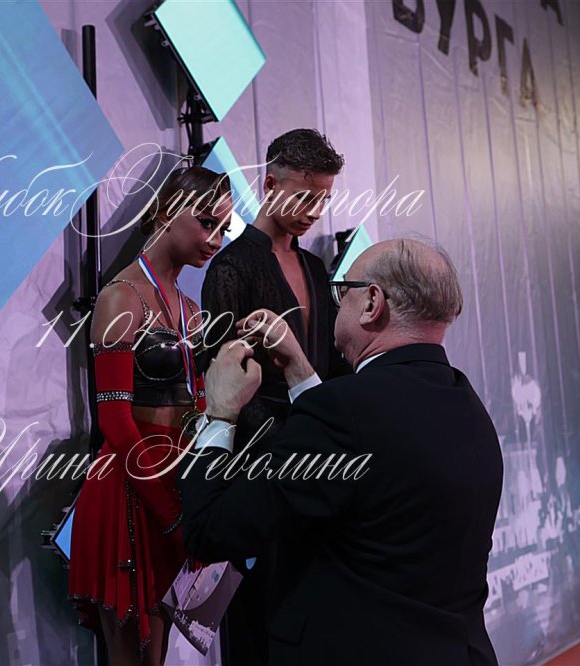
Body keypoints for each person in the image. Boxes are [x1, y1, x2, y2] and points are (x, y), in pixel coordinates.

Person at [179, 238, 503, 664]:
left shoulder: (342, 414)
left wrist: (220, 413)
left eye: (342, 290)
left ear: (372, 302)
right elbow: (364, 455)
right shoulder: (467, 404)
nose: (335, 304)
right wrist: (300, 371)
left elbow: (212, 529)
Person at [68, 166, 234, 665]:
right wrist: (170, 510)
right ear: (165, 213)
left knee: (157, 652)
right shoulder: (121, 297)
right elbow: (115, 421)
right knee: (134, 653)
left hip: (174, 487)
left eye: (223, 228)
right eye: (207, 222)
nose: (216, 240)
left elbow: (199, 408)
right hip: (129, 487)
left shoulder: (192, 310)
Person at [200, 128, 351, 666]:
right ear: (269, 184)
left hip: (319, 470)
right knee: (256, 630)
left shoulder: (316, 268)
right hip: (257, 475)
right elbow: (221, 380)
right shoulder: (231, 267)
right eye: (305, 197)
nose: (315, 212)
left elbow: (332, 368)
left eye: (324, 199)